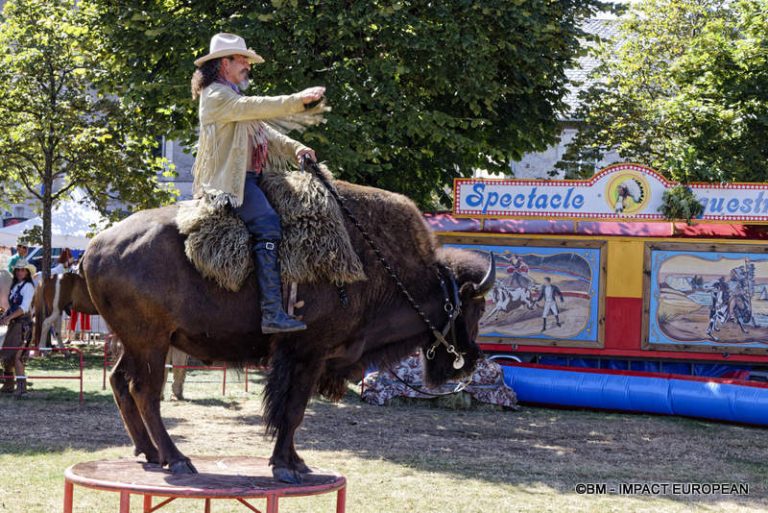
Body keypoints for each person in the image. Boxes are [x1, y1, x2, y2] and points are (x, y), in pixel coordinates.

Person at [191, 32, 325, 334]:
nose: (247, 66)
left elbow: (264, 130)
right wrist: (297, 100)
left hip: (252, 178)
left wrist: (296, 148)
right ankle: (271, 313)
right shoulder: (216, 96)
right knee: (268, 224)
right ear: (224, 63)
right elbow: (258, 107)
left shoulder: (232, 97)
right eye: (242, 60)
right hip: (231, 185)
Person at [0, 259, 37, 397]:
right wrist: (5, 315)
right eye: (18, 270)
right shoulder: (16, 286)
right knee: (6, 357)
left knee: (17, 357)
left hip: (23, 326)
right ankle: (9, 384)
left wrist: (8, 318)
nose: (20, 272)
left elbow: (23, 308)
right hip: (14, 325)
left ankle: (22, 388)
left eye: (23, 270)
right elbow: (12, 307)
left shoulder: (28, 287)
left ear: (27, 272)